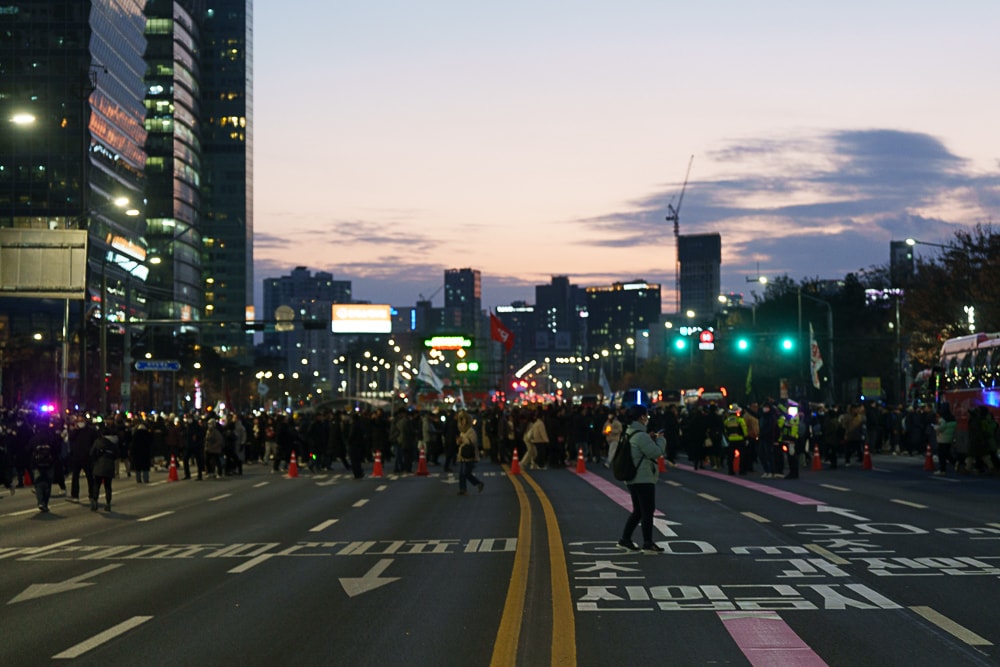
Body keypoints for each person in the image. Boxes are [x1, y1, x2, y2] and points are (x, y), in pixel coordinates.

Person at [617, 404, 666, 555]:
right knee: (647, 511)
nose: (647, 419)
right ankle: (647, 543)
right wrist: (661, 440)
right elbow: (656, 452)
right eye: (646, 416)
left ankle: (625, 539)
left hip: (633, 478)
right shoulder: (641, 436)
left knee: (638, 511)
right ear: (641, 417)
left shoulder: (629, 432)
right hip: (643, 478)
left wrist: (650, 439)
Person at [29, 418, 62, 512]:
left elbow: (28, 448)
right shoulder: (51, 437)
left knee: (38, 483)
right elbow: (57, 449)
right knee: (48, 484)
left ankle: (40, 502)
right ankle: (45, 503)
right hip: (49, 464)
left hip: (37, 464)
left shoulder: (35, 438)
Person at [90, 424, 120, 512]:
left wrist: (95, 460)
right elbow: (117, 454)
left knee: (96, 485)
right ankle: (108, 503)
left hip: (99, 465)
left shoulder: (98, 442)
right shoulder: (113, 443)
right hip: (109, 466)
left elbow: (92, 453)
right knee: (108, 486)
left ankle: (95, 501)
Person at [455, 411, 484, 495]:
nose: (463, 422)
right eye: (461, 420)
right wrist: (458, 441)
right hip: (462, 454)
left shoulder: (471, 431)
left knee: (466, 473)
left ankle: (478, 483)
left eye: (464, 420)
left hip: (469, 454)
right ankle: (462, 489)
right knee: (461, 473)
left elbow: (473, 442)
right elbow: (460, 442)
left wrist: (463, 440)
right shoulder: (462, 431)